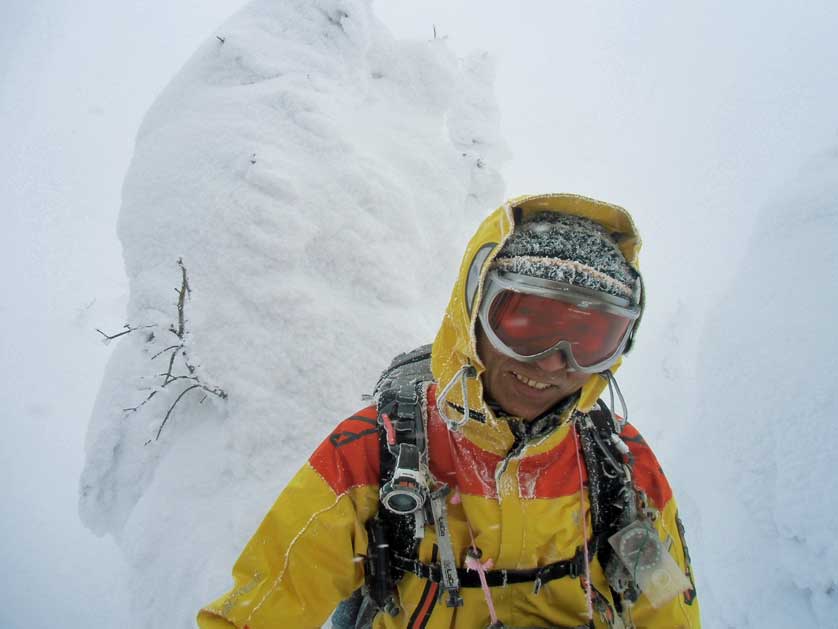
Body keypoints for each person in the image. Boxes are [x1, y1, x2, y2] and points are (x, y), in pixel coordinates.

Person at [197, 193, 700, 629]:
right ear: (474, 309)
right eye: (526, 323)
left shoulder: (618, 464)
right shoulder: (376, 450)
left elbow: (667, 605)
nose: (553, 363)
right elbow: (269, 601)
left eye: (591, 339)